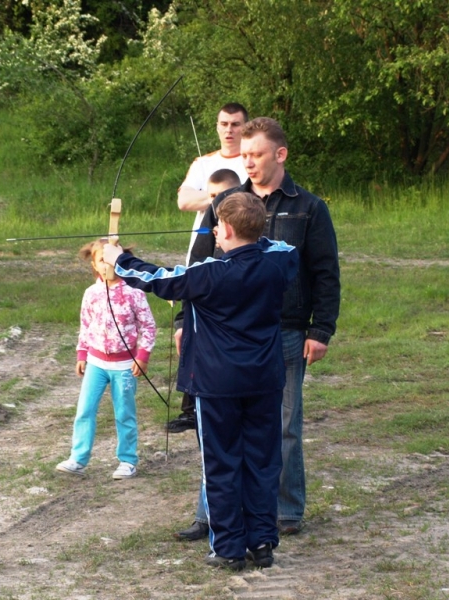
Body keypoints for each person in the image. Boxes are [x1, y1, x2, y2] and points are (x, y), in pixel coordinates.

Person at [103, 192, 299, 570]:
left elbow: (157, 279)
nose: (214, 232)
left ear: (228, 230)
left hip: (217, 386)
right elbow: (280, 245)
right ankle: (261, 543)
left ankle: (227, 548)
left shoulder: (208, 275)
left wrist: (118, 259)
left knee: (221, 465)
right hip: (264, 380)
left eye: (218, 226)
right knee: (262, 461)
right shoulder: (279, 261)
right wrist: (251, 232)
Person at [184, 116, 341, 536]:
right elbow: (198, 265)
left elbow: (325, 272)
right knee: (220, 429)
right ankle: (211, 516)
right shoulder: (226, 202)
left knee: (284, 426)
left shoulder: (309, 208)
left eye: (256, 154)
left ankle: (284, 511)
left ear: (280, 154)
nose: (248, 162)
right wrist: (184, 320)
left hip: (286, 331)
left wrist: (320, 330)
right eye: (245, 155)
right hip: (222, 334)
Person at [166, 102, 249, 435]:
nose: (229, 130)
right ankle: (190, 408)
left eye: (236, 124)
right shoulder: (203, 163)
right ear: (217, 126)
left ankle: (231, 400)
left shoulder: (250, 161)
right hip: (200, 252)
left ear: (245, 127)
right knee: (192, 328)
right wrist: (224, 197)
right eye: (224, 123)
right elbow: (184, 201)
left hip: (236, 252)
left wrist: (220, 195)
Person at [55, 238, 156, 480]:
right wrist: (82, 353)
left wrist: (142, 356)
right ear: (94, 265)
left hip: (124, 366)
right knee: (85, 410)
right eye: (102, 260)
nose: (107, 264)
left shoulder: (134, 292)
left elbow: (148, 327)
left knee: (124, 413)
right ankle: (78, 458)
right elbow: (86, 325)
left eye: (112, 259)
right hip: (96, 364)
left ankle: (127, 461)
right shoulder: (91, 293)